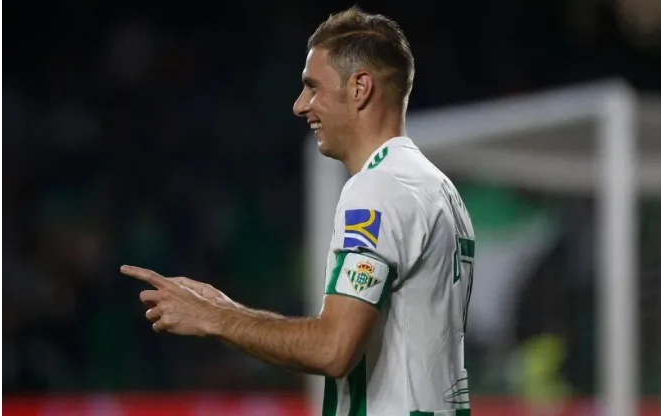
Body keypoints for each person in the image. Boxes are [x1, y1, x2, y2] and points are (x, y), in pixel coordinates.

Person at [122, 6, 476, 415]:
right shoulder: (440, 189)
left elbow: (333, 349)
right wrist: (226, 307)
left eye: (313, 87)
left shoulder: (378, 189)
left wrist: (213, 320)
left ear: (360, 88)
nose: (299, 105)